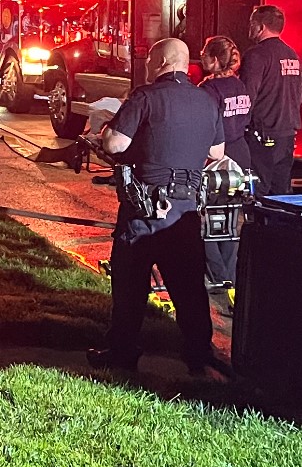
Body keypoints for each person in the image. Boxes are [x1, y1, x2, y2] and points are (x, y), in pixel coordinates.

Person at [87, 37, 225, 376]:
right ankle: (197, 353)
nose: (147, 66)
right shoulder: (206, 100)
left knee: (130, 284)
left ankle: (122, 351)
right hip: (186, 212)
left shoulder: (145, 97)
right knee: (189, 286)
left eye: (150, 61)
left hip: (144, 213)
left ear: (162, 62)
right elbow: (218, 151)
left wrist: (108, 130)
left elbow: (114, 142)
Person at [197, 36, 251, 292]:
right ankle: (229, 274)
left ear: (215, 60)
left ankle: (215, 274)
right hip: (240, 155)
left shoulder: (208, 91)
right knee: (231, 219)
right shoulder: (240, 86)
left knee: (206, 219)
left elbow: (205, 127)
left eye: (204, 53)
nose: (200, 57)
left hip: (216, 160)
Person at [238, 5, 302, 197]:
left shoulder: (256, 55)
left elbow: (247, 96)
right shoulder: (292, 55)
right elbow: (296, 95)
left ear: (261, 27)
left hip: (263, 134)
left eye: (252, 23)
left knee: (259, 191)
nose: (249, 27)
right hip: (287, 135)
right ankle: (280, 226)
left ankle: (258, 226)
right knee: (280, 192)